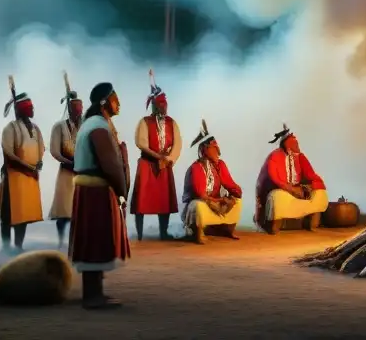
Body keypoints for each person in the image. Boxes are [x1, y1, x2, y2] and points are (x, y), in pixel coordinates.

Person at [68, 82, 131, 310]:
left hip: (94, 189)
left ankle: (95, 292)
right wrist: (122, 190)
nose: (119, 102)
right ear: (104, 102)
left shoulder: (97, 123)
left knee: (96, 240)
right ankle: (92, 296)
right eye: (115, 98)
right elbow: (110, 164)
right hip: (95, 191)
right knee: (95, 240)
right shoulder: (97, 126)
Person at [129, 72, 182, 241]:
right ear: (155, 105)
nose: (164, 107)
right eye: (161, 104)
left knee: (163, 201)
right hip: (147, 164)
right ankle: (139, 233)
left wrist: (169, 159)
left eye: (165, 104)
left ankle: (163, 232)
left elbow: (177, 143)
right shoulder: (145, 122)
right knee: (141, 201)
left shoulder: (171, 122)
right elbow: (141, 143)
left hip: (164, 165)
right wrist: (158, 156)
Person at [0, 76, 46, 253]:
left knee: (24, 214)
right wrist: (27, 167)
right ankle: (5, 247)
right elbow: (8, 152)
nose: (33, 109)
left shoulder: (35, 128)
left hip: (30, 176)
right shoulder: (10, 128)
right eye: (29, 107)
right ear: (22, 110)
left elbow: (41, 147)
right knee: (9, 213)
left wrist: (38, 162)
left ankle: (18, 246)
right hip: (14, 176)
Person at [255, 124, 328, 234]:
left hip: (299, 190)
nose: (297, 145)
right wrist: (291, 189)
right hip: (282, 190)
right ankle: (274, 227)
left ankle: (311, 224)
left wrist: (308, 187)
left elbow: (311, 175)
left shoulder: (300, 157)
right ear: (288, 145)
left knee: (320, 194)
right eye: (295, 143)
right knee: (277, 197)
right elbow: (274, 179)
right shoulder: (275, 157)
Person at [181, 120, 243, 244]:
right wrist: (220, 201)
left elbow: (229, 183)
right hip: (199, 201)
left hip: (215, 199)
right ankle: (198, 233)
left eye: (216, 148)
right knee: (198, 206)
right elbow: (201, 194)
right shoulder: (196, 167)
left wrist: (235, 193)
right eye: (213, 148)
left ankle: (228, 230)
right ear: (205, 150)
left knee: (237, 202)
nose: (217, 151)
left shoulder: (220, 165)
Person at [49, 73, 83, 246]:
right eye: (76, 111)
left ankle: (78, 240)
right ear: (70, 110)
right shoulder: (59, 127)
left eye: (80, 110)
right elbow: (55, 151)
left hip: (83, 172)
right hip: (66, 172)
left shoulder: (86, 125)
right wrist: (69, 162)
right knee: (64, 210)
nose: (79, 114)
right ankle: (61, 241)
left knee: (82, 210)